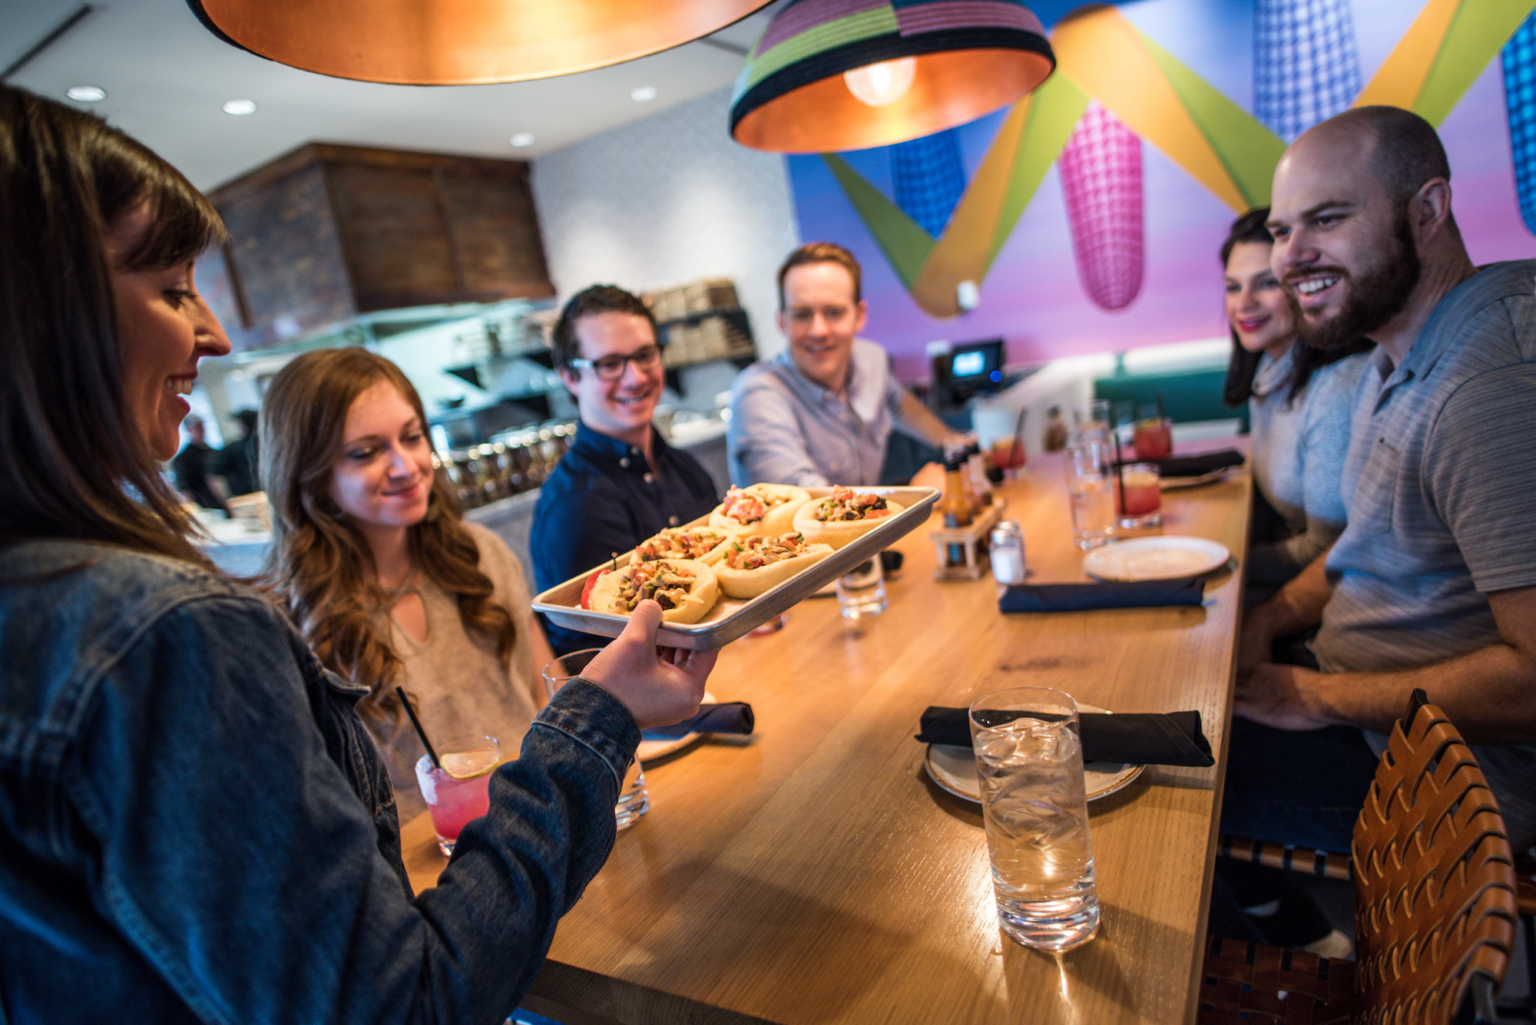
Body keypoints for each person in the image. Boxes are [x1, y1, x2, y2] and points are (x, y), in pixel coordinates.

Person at [0, 84, 714, 1022]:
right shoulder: (170, 637)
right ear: (46, 319)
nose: (213, 333)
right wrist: (600, 719)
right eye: (172, 287)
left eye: (412, 437)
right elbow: (397, 999)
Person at [1225, 105, 1536, 862]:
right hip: (1360, 709)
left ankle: (1301, 956)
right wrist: (1266, 622)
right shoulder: (1392, 355)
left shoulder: (1488, 381)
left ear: (1427, 210)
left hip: (1446, 781)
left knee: (1137, 771)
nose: (1293, 257)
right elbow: (1351, 556)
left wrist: (1314, 697)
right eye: (1282, 230)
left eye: (1326, 220)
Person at [259, 348, 558, 818]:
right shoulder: (292, 624)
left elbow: (546, 692)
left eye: (412, 437)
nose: (406, 466)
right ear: (310, 477)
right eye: (366, 452)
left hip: (542, 820)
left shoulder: (480, 553)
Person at [530, 284, 719, 654]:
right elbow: (595, 658)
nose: (635, 378)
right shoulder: (574, 507)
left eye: (645, 355)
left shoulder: (685, 467)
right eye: (610, 364)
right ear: (570, 376)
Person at [1219, 207, 1371, 593]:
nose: (1244, 303)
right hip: (1290, 576)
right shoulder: (1267, 376)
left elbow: (1331, 550)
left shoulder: (1335, 389)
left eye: (1266, 283)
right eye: (1233, 287)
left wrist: (1219, 560)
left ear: (1304, 285)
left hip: (1336, 595)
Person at [726, 242, 960, 488]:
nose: (818, 330)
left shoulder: (872, 359)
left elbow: (908, 411)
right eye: (802, 314)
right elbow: (803, 502)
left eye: (834, 312)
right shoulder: (757, 395)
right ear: (781, 321)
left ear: (859, 316)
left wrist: (964, 449)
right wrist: (914, 497)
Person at [170, 412, 228, 513]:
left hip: (223, 503)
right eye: (195, 427)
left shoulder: (214, 451)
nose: (200, 430)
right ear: (188, 430)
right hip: (206, 508)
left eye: (201, 426)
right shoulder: (183, 459)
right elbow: (184, 489)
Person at [215, 407, 260, 497]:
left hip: (246, 498)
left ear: (243, 425)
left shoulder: (232, 449)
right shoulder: (268, 443)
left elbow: (215, 473)